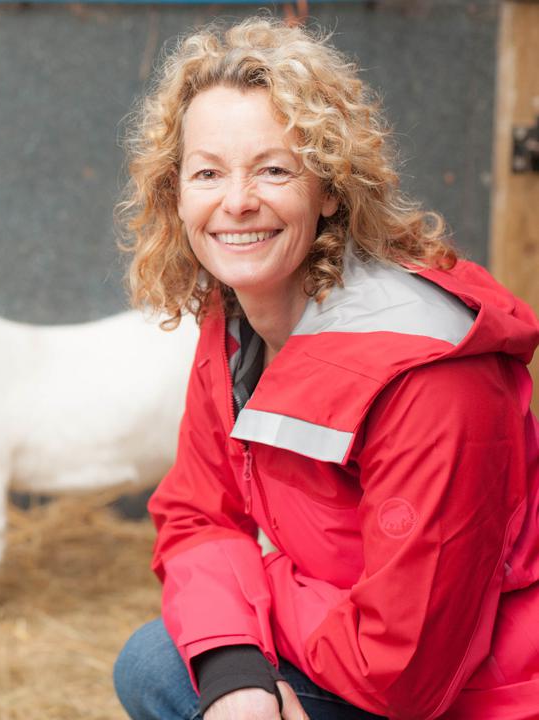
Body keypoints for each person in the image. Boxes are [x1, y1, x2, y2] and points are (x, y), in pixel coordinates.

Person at [111, 16, 539, 720]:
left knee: (159, 665)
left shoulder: (430, 373)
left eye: (274, 169)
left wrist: (260, 584)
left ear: (331, 189)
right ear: (175, 194)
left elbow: (403, 672)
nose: (236, 201)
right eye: (208, 172)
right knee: (159, 664)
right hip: (344, 643)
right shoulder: (237, 318)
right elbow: (196, 513)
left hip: (476, 695)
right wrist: (234, 669)